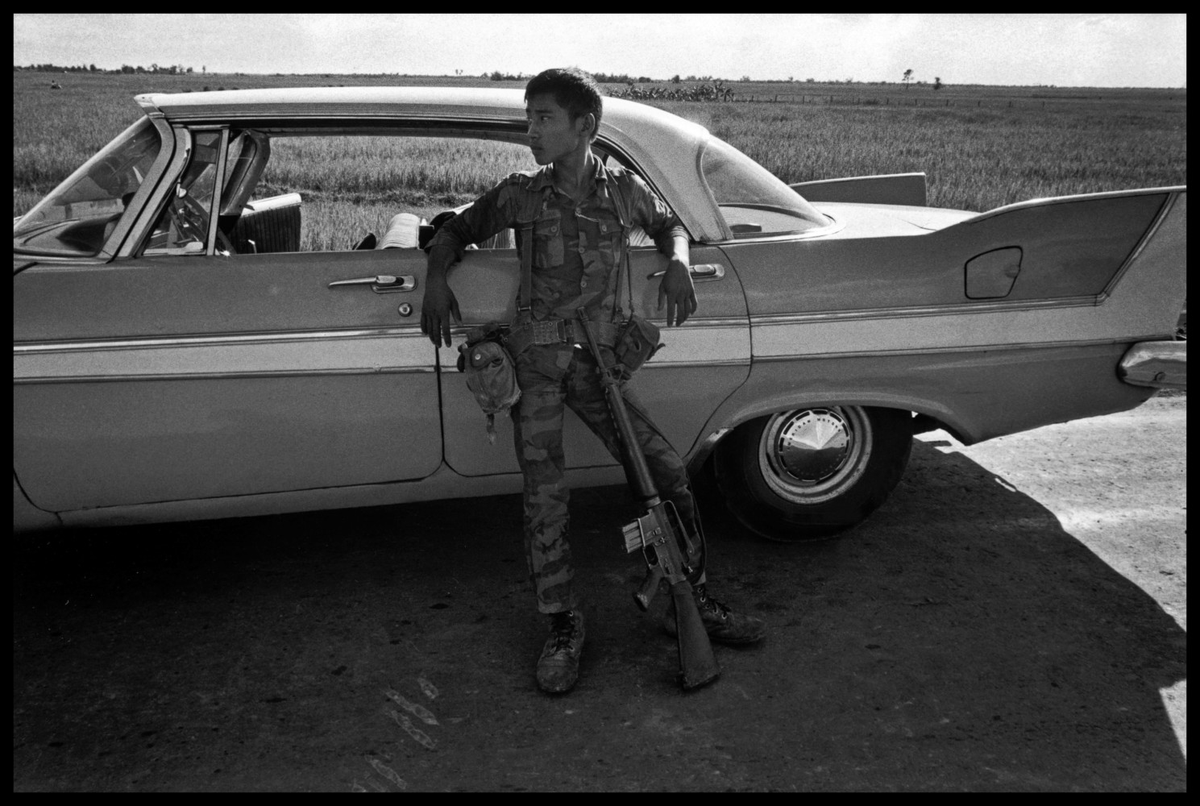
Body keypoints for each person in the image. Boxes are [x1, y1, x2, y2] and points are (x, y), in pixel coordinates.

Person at [421, 68, 764, 694]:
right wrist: (437, 277)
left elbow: (669, 226)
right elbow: (454, 231)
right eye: (529, 119)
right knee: (545, 497)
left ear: (587, 126)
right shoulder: (520, 195)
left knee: (667, 471)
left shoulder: (625, 192)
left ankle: (691, 599)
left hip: (601, 367)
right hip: (540, 368)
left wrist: (679, 264)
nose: (532, 132)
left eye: (544, 119)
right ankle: (562, 624)